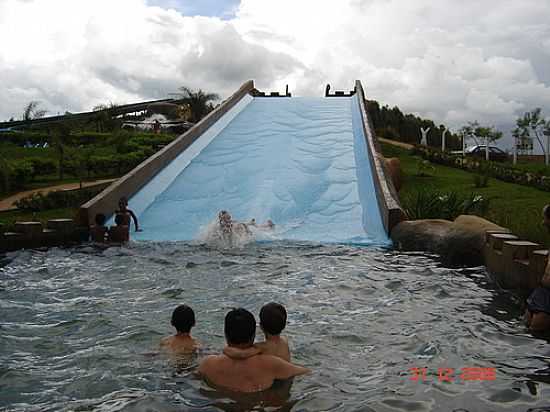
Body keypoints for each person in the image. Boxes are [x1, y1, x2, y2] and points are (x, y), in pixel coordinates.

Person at [198, 308, 309, 393]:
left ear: (226, 335)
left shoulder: (207, 364)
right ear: (253, 335)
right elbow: (306, 372)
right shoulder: (271, 364)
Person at [224, 302, 290, 361]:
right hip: (288, 372)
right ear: (284, 326)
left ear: (261, 327)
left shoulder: (261, 347)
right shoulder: (284, 341)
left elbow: (241, 355)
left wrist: (226, 350)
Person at [525, 204, 550, 332]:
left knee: (536, 331)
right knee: (526, 325)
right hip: (541, 290)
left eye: (545, 218)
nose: (543, 223)